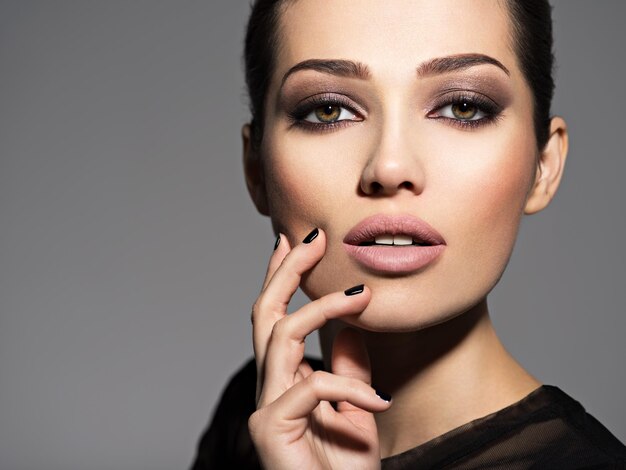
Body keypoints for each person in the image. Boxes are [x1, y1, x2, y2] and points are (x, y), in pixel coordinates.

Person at [191, 0, 626, 468]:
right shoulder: (258, 419)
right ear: (257, 169)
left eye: (463, 106)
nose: (390, 166)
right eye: (328, 110)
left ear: (543, 166)